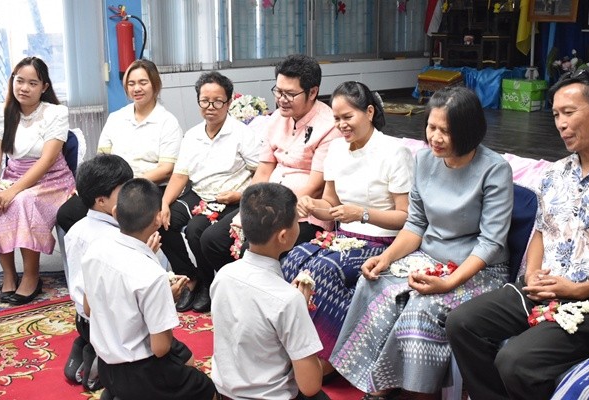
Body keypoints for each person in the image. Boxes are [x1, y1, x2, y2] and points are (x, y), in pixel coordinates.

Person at [330, 86, 514, 400]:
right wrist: (386, 258)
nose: (435, 138)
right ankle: (380, 382)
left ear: (468, 130)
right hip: (429, 258)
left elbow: (490, 242)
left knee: (422, 307)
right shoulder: (425, 160)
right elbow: (415, 224)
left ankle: (415, 392)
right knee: (373, 282)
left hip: (479, 270)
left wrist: (449, 282)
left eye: (446, 131)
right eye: (431, 127)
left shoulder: (494, 169)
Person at [445, 68, 589, 400]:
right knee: (461, 323)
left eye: (569, 112)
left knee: (515, 361)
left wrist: (578, 288)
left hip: (588, 299)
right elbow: (541, 231)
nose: (561, 123)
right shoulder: (556, 173)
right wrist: (532, 274)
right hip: (544, 288)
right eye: (555, 115)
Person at [281, 81, 414, 377]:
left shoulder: (394, 152)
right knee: (292, 259)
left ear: (369, 112)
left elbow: (405, 217)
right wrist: (312, 205)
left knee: (325, 270)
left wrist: (363, 214)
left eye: (347, 117)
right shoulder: (337, 150)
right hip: (344, 237)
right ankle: (297, 347)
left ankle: (329, 356)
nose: (341, 125)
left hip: (382, 241)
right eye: (336, 118)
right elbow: (330, 203)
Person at [200, 54, 340, 271]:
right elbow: (264, 170)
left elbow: (315, 186)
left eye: (290, 94)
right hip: (266, 204)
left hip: (303, 214)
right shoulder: (276, 118)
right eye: (278, 91)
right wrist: (249, 208)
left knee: (251, 251)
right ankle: (235, 285)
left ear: (313, 92)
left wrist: (271, 215)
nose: (282, 99)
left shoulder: (329, 126)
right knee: (211, 240)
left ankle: (256, 289)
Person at [62, 154, 191, 391]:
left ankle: (89, 350)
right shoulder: (115, 239)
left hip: (85, 317)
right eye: (124, 189)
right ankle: (97, 360)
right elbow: (137, 290)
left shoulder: (76, 230)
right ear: (102, 201)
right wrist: (145, 254)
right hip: (109, 322)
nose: (131, 194)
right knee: (186, 362)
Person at [82, 178, 217, 400]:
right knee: (206, 388)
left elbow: (88, 309)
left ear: (115, 213)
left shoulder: (95, 249)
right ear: (158, 219)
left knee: (186, 359)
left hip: (107, 366)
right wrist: (167, 300)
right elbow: (160, 348)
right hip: (142, 373)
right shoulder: (152, 275)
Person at [211, 182, 327, 400]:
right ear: (283, 236)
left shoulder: (223, 275)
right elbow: (310, 386)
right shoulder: (289, 300)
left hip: (226, 391)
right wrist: (300, 313)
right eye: (297, 221)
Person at [160, 71, 260, 313]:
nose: (210, 107)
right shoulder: (192, 135)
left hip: (231, 197)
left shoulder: (242, 134)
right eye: (205, 101)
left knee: (196, 230)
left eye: (217, 101)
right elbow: (180, 175)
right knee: (160, 221)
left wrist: (241, 195)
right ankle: (190, 278)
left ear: (229, 102)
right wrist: (163, 204)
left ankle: (209, 283)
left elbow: (260, 172)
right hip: (199, 193)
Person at [56, 59, 183, 232]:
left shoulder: (168, 122)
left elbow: (166, 169)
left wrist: (127, 183)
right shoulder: (116, 118)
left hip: (145, 188)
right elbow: (102, 159)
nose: (136, 88)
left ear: (155, 84)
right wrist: (88, 187)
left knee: (123, 217)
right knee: (68, 213)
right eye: (131, 84)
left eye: (143, 82)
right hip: (112, 185)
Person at [0, 56, 75, 305]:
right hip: (13, 177)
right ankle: (9, 274)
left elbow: (47, 160)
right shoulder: (2, 112)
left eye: (32, 83)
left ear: (44, 87)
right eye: (19, 81)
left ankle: (32, 276)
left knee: (22, 201)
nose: (24, 88)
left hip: (53, 181)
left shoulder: (56, 113)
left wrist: (12, 192)